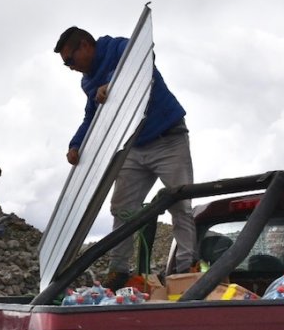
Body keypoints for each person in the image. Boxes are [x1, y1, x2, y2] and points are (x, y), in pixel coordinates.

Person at [54, 25, 197, 286]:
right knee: (121, 209)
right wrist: (76, 144)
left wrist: (114, 84)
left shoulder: (120, 47)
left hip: (169, 139)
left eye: (70, 60)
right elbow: (91, 116)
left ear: (85, 45)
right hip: (134, 148)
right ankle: (119, 271)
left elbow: (145, 58)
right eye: (66, 64)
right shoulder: (87, 83)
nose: (70, 67)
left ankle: (186, 267)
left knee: (180, 203)